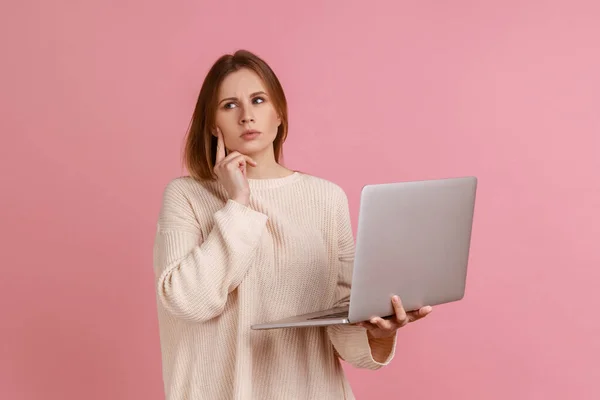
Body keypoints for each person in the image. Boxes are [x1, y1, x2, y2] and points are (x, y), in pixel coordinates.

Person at [152, 49, 433, 400]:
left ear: (279, 113)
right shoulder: (186, 195)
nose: (246, 116)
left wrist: (380, 333)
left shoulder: (326, 199)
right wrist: (237, 203)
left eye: (258, 100)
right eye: (229, 105)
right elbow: (190, 303)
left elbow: (343, 329)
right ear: (212, 124)